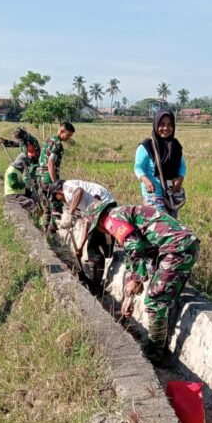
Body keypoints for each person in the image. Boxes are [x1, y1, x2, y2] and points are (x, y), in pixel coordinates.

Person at [80, 199, 200, 363]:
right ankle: (159, 346)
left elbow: (136, 248)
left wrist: (137, 280)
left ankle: (155, 354)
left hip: (176, 249)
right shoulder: (122, 215)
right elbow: (133, 257)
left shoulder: (111, 220)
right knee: (159, 297)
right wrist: (128, 296)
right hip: (179, 247)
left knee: (155, 300)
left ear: (98, 220)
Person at [134, 108, 187, 218]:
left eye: (169, 124)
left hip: (170, 195)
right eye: (162, 124)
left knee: (171, 227)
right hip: (153, 195)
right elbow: (138, 167)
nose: (166, 128)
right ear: (156, 124)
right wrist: (146, 180)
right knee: (162, 225)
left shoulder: (175, 145)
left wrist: (180, 178)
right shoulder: (146, 146)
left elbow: (182, 166)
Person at [38, 122, 76, 233]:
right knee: (57, 208)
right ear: (62, 131)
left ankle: (44, 233)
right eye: (68, 135)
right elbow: (51, 163)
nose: (68, 138)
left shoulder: (49, 140)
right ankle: (53, 236)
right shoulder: (57, 144)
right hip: (48, 179)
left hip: (40, 178)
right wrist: (55, 183)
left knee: (46, 208)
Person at [49, 178, 115, 229]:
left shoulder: (66, 185)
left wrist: (70, 213)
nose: (60, 200)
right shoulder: (69, 196)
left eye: (57, 198)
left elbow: (79, 191)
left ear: (58, 192)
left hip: (104, 201)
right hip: (98, 205)